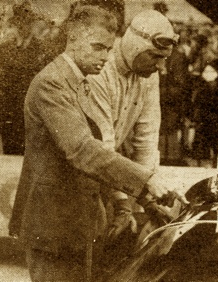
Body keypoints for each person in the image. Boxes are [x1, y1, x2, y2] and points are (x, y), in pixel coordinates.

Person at [8, 6, 181, 281]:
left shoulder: (79, 82)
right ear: (73, 39)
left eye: (108, 48)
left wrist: (143, 199)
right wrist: (146, 181)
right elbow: (82, 151)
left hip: (80, 224)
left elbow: (133, 142)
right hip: (53, 225)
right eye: (98, 47)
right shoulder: (52, 85)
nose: (105, 57)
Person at [86, 9, 182, 250]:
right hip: (83, 175)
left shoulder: (148, 73)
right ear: (134, 46)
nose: (162, 67)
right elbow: (103, 146)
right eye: (155, 57)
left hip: (112, 174)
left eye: (165, 58)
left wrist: (148, 199)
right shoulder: (99, 69)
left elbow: (147, 139)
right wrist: (123, 203)